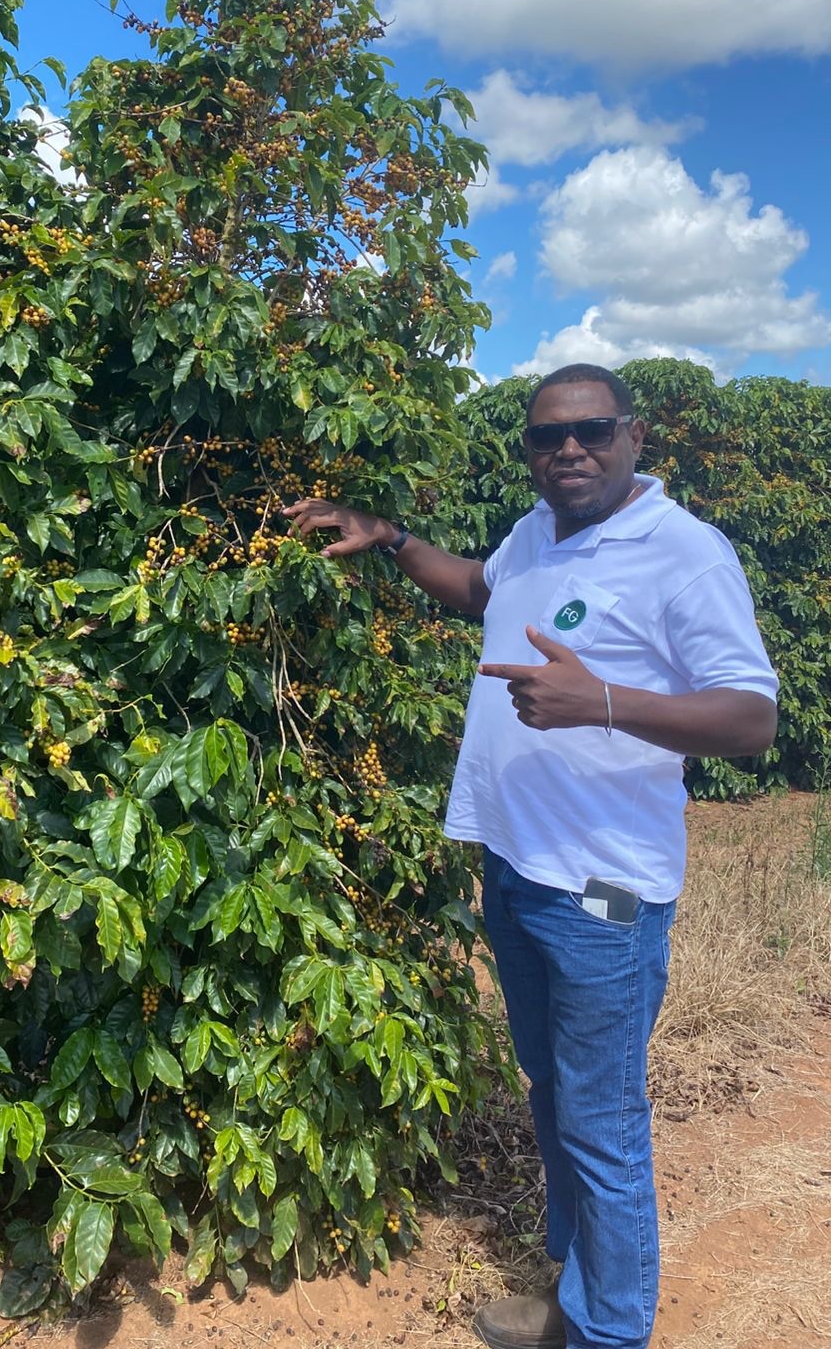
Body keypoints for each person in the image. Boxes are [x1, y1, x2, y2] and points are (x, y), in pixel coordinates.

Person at [282, 363, 777, 1349]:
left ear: (634, 436)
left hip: (603, 890)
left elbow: (753, 716)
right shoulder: (536, 534)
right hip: (515, 867)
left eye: (592, 430)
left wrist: (601, 701)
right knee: (553, 1091)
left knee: (603, 1125)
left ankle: (608, 1332)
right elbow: (477, 588)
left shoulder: (684, 554)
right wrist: (392, 538)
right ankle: (573, 1292)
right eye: (548, 438)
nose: (570, 452)